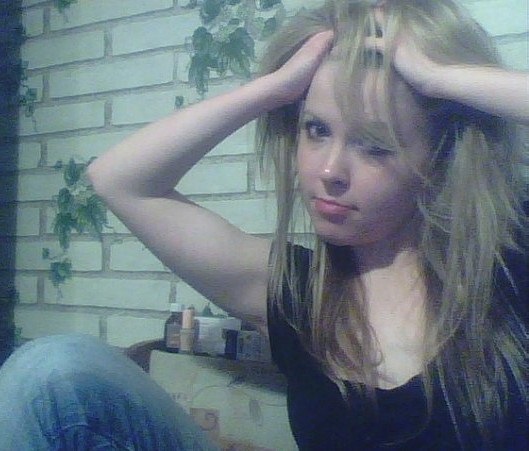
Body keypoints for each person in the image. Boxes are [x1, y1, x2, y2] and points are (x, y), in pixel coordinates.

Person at [1, 0, 528, 449]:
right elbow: (120, 180)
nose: (329, 171)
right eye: (316, 130)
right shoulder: (299, 293)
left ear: (442, 159)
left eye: (374, 145)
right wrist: (271, 90)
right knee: (52, 370)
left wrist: (442, 79)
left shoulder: (508, 263)